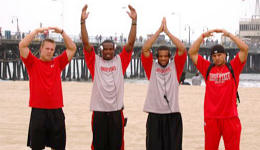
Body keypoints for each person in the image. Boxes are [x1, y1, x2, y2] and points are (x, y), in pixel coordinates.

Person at [80, 4, 137, 150]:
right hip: (98, 112)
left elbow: (130, 43)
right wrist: (82, 22)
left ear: (114, 50)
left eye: (111, 49)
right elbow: (86, 43)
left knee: (117, 146)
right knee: (98, 146)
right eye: (105, 49)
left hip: (116, 112)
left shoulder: (120, 60)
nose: (108, 52)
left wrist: (134, 22)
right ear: (101, 50)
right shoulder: (95, 62)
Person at [188, 29, 248, 150]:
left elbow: (244, 49)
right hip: (211, 118)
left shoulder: (234, 67)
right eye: (214, 56)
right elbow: (192, 52)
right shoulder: (207, 68)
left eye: (219, 55)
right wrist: (203, 35)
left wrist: (230, 35)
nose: (217, 58)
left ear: (225, 55)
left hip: (230, 118)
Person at [19, 27, 77, 150]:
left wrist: (62, 32)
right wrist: (35, 32)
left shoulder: (58, 63)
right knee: (37, 147)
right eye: (47, 48)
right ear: (41, 49)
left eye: (52, 49)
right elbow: (22, 46)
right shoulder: (32, 63)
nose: (49, 51)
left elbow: (72, 48)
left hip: (56, 111)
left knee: (59, 147)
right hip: (38, 112)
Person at [141, 17, 187, 150]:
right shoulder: (152, 68)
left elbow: (182, 48)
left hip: (173, 115)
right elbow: (145, 49)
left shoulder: (175, 67)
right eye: (160, 56)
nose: (163, 58)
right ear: (156, 57)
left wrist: (167, 32)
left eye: (165, 56)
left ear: (169, 56)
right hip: (154, 115)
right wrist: (158, 31)